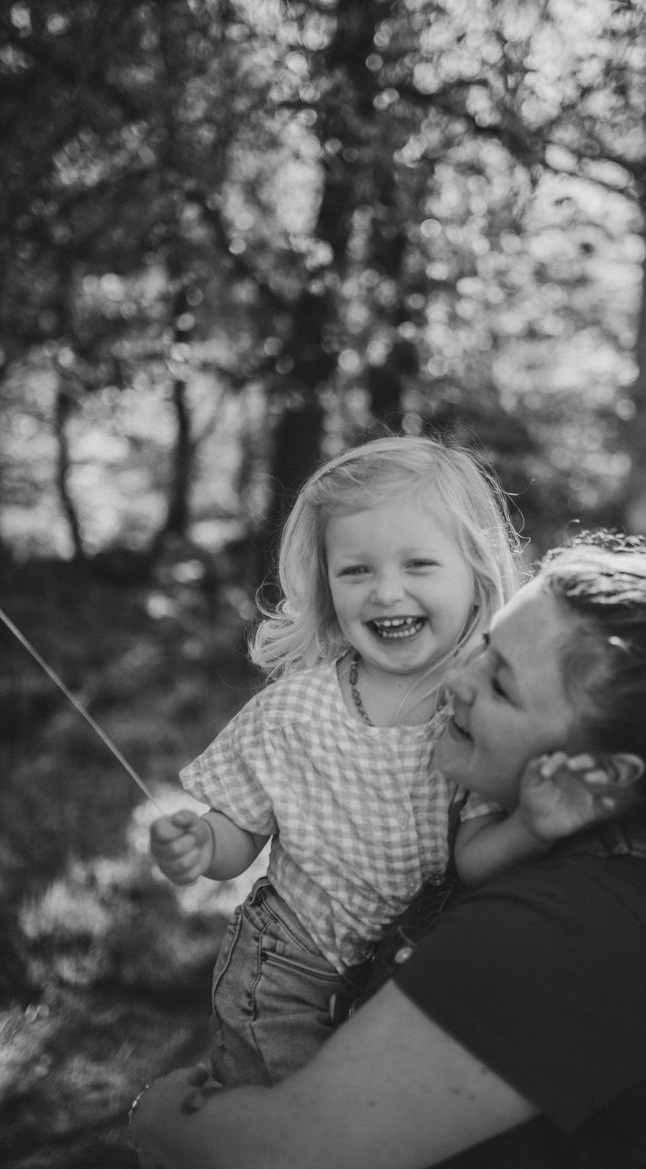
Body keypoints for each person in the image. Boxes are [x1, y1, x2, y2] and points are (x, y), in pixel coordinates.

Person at [131, 531, 646, 1169]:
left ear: (606, 775)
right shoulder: (595, 860)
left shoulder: (576, 929)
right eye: (484, 646)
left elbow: (276, 1156)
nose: (457, 681)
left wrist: (158, 1116)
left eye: (503, 684)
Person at [148, 435, 538, 1087]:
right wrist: (199, 845)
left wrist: (537, 824)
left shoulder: (482, 712)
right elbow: (239, 833)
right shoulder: (295, 709)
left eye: (418, 565)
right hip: (291, 973)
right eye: (356, 571)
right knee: (283, 1134)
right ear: (327, 586)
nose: (386, 592)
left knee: (377, 1128)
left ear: (479, 573)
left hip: (422, 974)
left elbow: (477, 852)